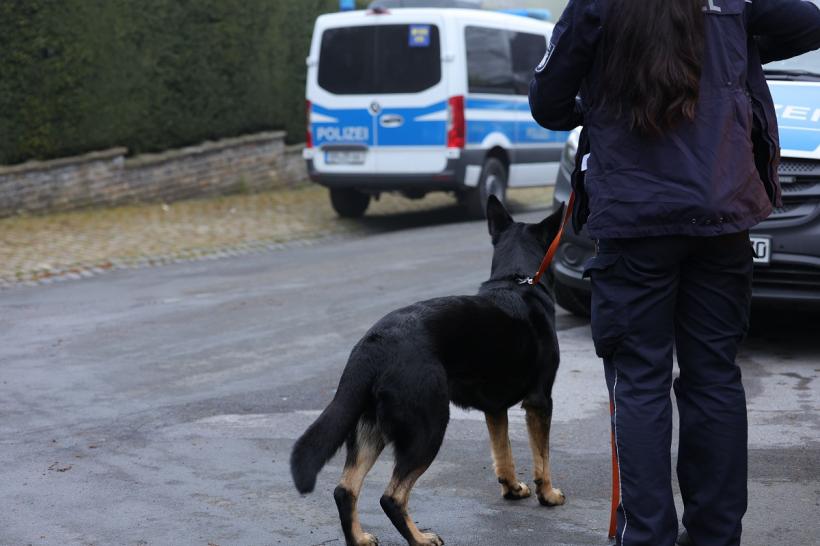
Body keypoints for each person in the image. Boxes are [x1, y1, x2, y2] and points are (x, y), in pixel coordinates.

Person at [528, 1, 820, 545]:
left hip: (635, 221)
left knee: (639, 384)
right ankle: (715, 536)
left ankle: (646, 536)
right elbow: (809, 21)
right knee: (714, 377)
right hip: (721, 213)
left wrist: (599, 94)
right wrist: (733, 53)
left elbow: (547, 103)